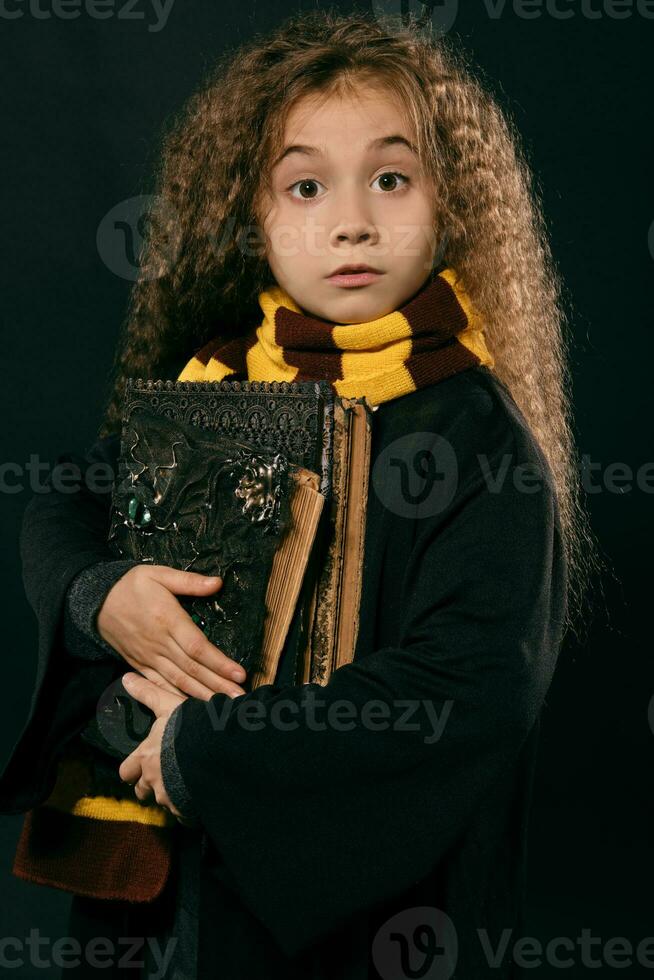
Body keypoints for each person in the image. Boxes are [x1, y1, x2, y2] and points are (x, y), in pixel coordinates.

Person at [0, 9, 597, 979]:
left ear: (453, 204)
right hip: (162, 901)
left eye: (392, 179)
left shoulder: (476, 433)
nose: (351, 220)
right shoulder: (216, 379)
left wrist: (206, 749)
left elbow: (467, 688)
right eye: (306, 184)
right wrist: (98, 594)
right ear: (253, 210)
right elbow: (62, 508)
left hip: (364, 920)